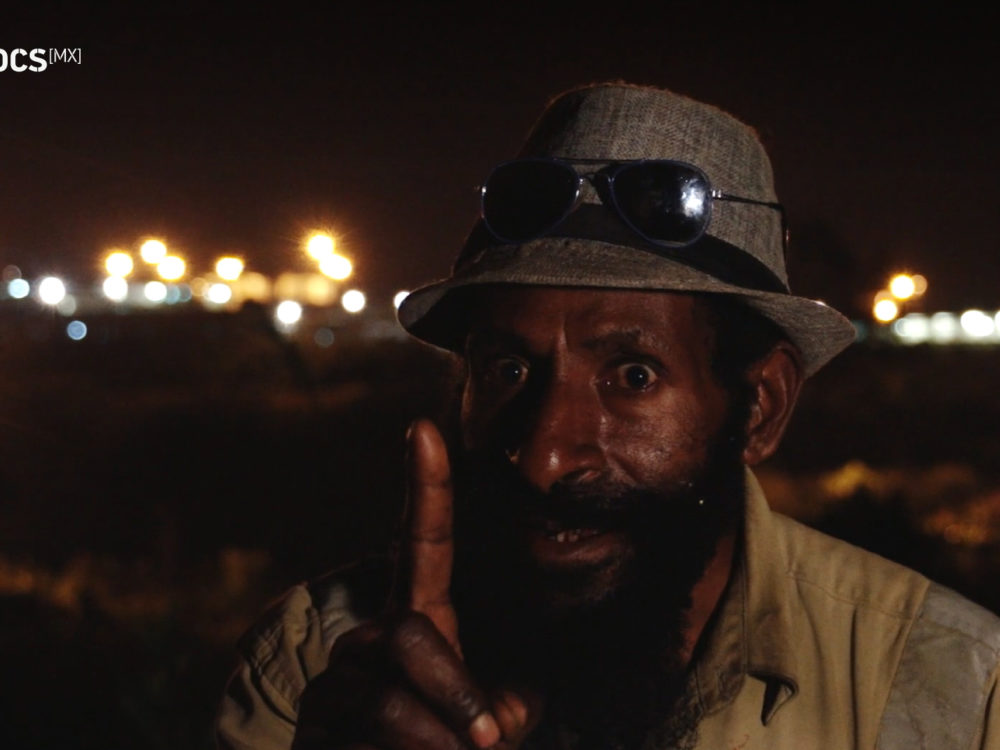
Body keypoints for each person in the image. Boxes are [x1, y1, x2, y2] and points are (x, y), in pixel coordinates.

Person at [215, 83, 1000, 750]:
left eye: (632, 375)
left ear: (761, 406)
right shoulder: (321, 667)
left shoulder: (950, 688)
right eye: (508, 370)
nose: (545, 456)